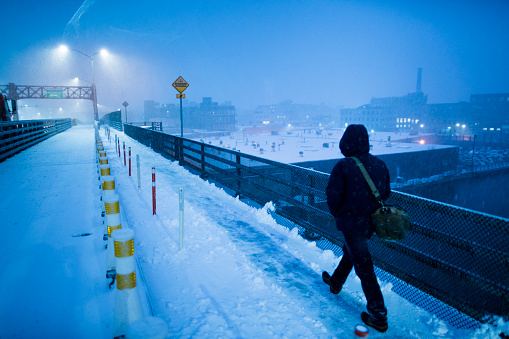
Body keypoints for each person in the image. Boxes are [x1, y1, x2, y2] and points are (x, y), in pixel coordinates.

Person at [322, 124, 390, 333]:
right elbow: (385, 193)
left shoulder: (343, 166)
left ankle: (378, 316)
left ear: (346, 142)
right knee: (353, 253)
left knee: (364, 266)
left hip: (351, 223)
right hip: (369, 222)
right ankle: (335, 282)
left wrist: (342, 214)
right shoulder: (380, 164)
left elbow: (332, 196)